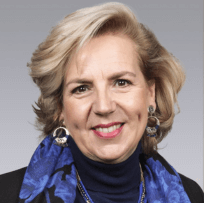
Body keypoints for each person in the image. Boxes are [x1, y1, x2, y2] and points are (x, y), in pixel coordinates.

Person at [0, 2, 203, 203]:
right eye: (82, 88)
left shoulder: (191, 195)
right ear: (59, 106)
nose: (104, 107)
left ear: (151, 93)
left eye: (121, 82)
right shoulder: (5, 194)